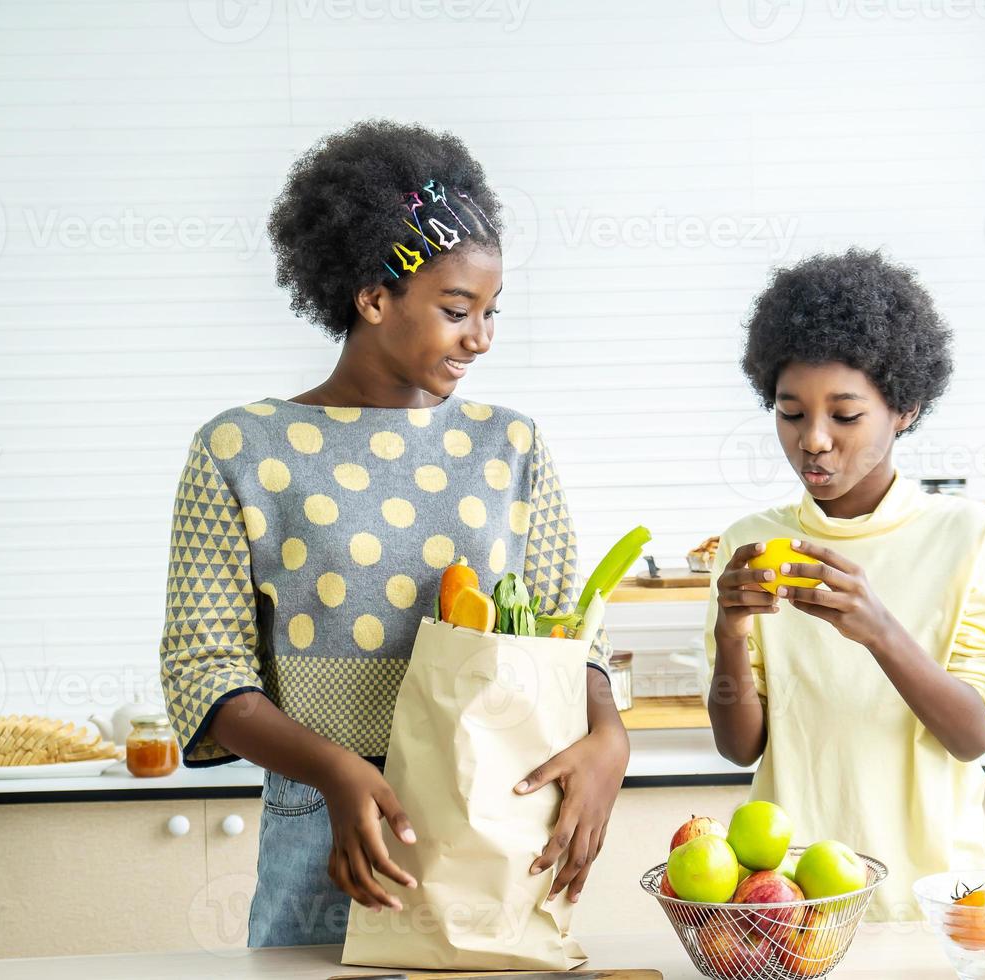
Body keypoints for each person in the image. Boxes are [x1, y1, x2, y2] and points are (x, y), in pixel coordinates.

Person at [159, 120, 628, 947]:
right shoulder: (241, 449)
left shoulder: (510, 446)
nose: (481, 337)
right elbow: (205, 669)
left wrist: (609, 737)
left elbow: (569, 625)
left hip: (494, 796)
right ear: (373, 299)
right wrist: (336, 772)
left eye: (491, 311)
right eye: (457, 310)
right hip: (324, 817)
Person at [704, 248, 985, 921]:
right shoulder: (748, 544)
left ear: (904, 408)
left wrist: (878, 630)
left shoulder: (970, 536)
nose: (813, 440)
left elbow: (972, 735)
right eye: (791, 414)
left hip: (938, 899)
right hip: (789, 897)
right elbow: (739, 748)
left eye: (844, 416)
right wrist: (731, 632)